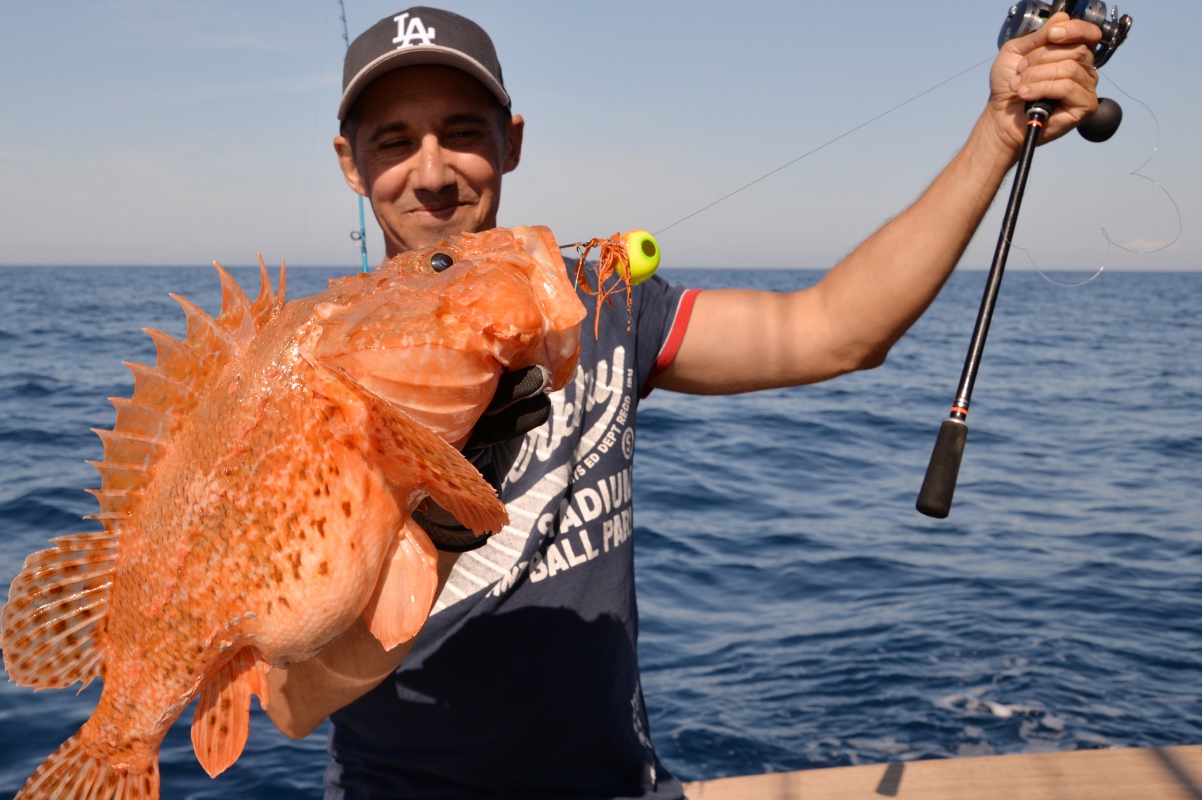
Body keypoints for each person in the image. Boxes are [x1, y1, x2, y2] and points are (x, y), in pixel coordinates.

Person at [264, 6, 1104, 799]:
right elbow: (291, 705)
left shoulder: (593, 304)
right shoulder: (302, 380)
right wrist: (441, 531)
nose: (434, 171)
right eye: (394, 140)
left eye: (462, 133)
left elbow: (836, 330)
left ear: (511, 143)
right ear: (351, 163)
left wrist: (998, 134)